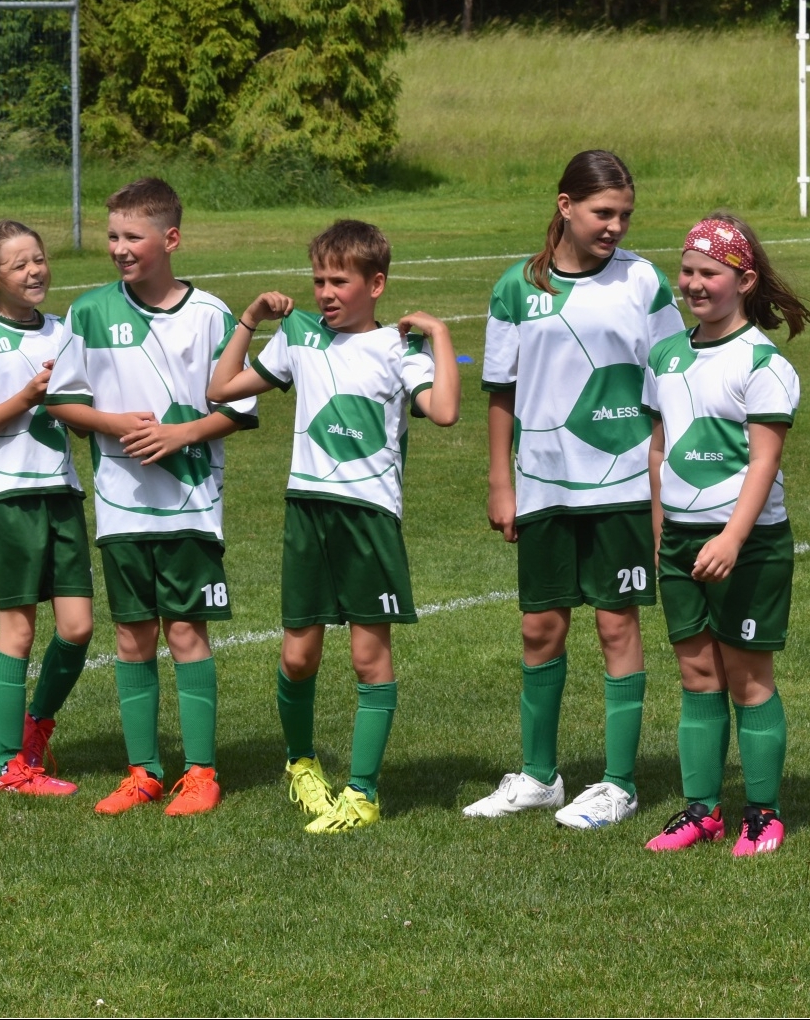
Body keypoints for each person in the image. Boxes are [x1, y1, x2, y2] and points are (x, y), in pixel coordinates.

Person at [207, 220, 461, 833]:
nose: (325, 292)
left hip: (369, 516)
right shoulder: (299, 336)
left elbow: (446, 412)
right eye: (319, 280)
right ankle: (301, 765)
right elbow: (221, 388)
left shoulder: (400, 350)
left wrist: (440, 335)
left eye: (339, 282)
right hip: (308, 509)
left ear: (376, 285)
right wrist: (249, 320)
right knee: (298, 657)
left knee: (369, 658)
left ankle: (363, 794)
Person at [465, 150, 684, 829]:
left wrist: (666, 482)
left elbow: (673, 380)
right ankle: (539, 777)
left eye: (625, 215)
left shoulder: (642, 280)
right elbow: (501, 392)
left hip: (623, 483)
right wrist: (500, 481)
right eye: (602, 212)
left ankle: (619, 784)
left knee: (617, 624)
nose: (615, 226)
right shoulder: (515, 288)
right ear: (565, 206)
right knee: (540, 626)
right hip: (542, 485)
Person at [46, 178, 259, 817]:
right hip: (120, 504)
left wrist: (180, 434)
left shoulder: (212, 315)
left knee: (187, 631)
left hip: (192, 506)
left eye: (132, 237)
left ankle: (201, 773)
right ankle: (142, 772)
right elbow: (62, 399)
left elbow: (240, 407)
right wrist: (115, 424)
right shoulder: (88, 312)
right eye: (112, 236)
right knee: (132, 635)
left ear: (171, 239)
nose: (119, 248)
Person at [642, 213, 810, 857]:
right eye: (687, 271)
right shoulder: (666, 354)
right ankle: (701, 811)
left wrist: (734, 539)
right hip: (682, 540)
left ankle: (762, 814)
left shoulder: (763, 362)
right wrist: (660, 529)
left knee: (748, 676)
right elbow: (658, 450)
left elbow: (764, 461)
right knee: (695, 674)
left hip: (748, 541)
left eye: (708, 272)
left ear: (743, 280)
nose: (693, 283)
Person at [0, 220, 92, 797]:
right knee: (19, 631)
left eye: (39, 258)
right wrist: (27, 398)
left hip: (63, 492)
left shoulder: (64, 333)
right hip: (9, 496)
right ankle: (8, 766)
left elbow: (82, 413)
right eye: (19, 264)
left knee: (78, 628)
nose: (35, 271)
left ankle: (36, 728)